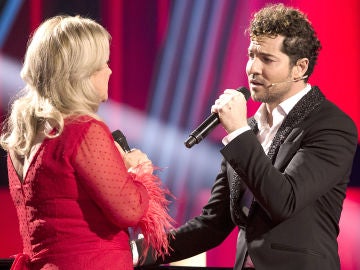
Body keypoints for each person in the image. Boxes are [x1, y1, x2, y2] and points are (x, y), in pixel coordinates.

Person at [134, 3, 358, 270]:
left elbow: (284, 201)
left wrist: (238, 132)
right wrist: (135, 252)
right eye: (251, 54)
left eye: (267, 59)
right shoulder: (250, 128)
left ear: (300, 67)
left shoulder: (330, 125)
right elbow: (212, 224)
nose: (253, 67)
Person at [0, 15, 173, 270]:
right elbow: (130, 208)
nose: (110, 71)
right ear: (82, 73)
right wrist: (138, 171)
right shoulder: (84, 130)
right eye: (103, 63)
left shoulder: (23, 139)